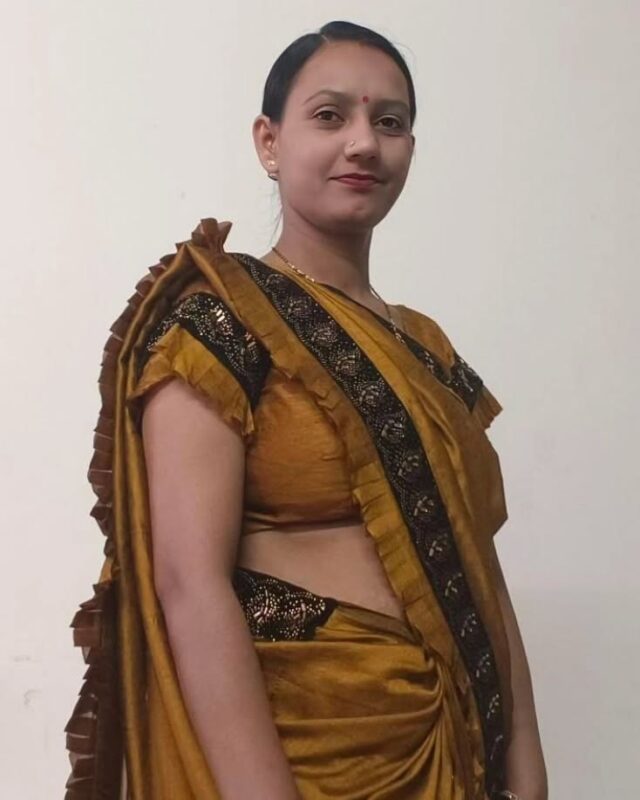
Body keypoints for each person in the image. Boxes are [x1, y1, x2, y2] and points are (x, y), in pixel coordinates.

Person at [64, 19, 547, 800]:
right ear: (270, 141)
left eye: (389, 122)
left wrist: (526, 769)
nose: (363, 143)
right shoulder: (220, 323)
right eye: (330, 116)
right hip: (308, 752)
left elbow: (478, 565)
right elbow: (188, 584)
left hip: (458, 748)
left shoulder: (425, 346)